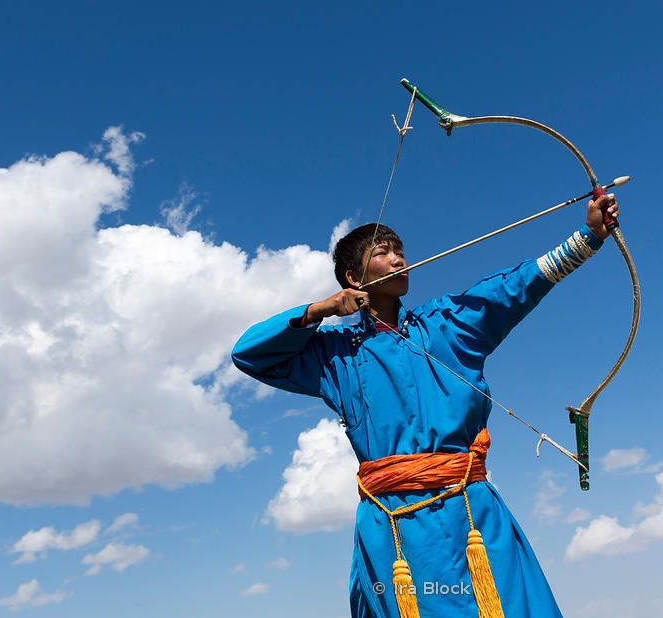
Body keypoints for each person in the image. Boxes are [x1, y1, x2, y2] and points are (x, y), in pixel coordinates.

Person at [232, 191, 619, 617]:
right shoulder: (334, 354)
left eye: (399, 251)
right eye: (383, 253)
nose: (398, 259)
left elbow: (514, 288)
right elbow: (248, 354)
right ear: (353, 278)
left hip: (470, 516)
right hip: (392, 528)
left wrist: (589, 236)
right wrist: (317, 310)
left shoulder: (447, 325)